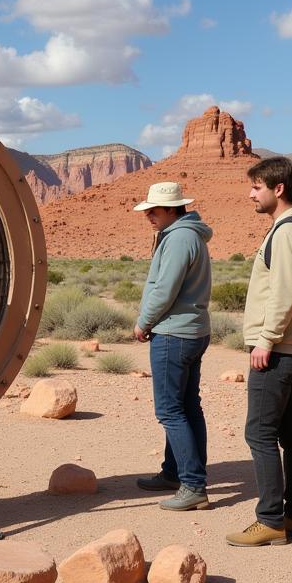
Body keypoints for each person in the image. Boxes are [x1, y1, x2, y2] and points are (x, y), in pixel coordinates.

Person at [227, 157, 292, 548]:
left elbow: (283, 293)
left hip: (279, 348)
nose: (251, 194)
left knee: (260, 433)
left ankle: (269, 521)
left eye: (256, 187)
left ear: (277, 188)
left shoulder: (286, 234)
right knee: (290, 432)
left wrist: (266, 339)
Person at [131, 182, 214, 511]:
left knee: (170, 410)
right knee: (187, 406)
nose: (148, 215)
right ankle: (173, 473)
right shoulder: (187, 234)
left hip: (174, 335)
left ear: (172, 209)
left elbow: (165, 289)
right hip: (191, 332)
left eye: (154, 209)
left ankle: (193, 485)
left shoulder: (179, 237)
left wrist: (144, 322)